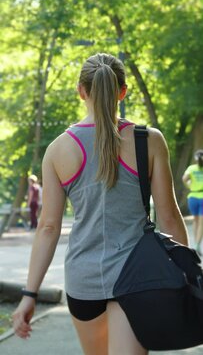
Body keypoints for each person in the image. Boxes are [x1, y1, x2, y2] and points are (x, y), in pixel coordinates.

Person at [12, 53, 188, 355]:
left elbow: (49, 227)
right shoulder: (150, 141)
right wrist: (186, 277)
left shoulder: (58, 150)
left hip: (83, 280)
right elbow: (169, 217)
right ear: (123, 91)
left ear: (81, 91)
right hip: (138, 277)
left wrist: (30, 293)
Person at [182, 149, 203, 254]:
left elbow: (184, 178)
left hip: (192, 196)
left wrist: (190, 186)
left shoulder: (191, 168)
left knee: (196, 220)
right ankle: (197, 244)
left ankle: (195, 243)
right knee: (201, 222)